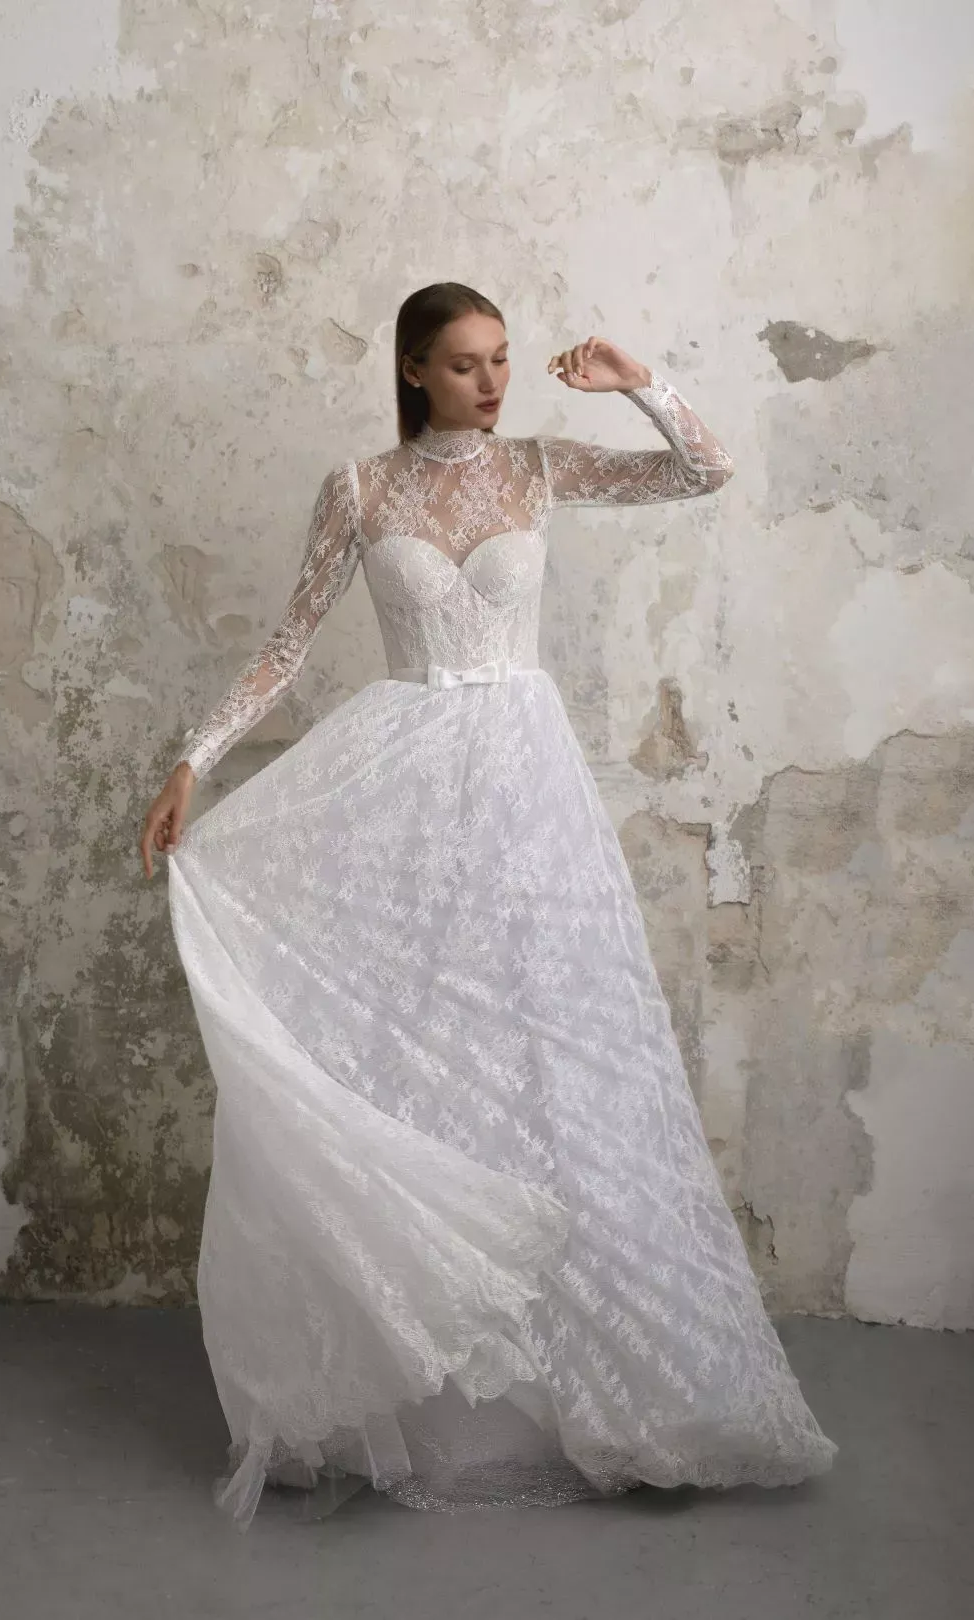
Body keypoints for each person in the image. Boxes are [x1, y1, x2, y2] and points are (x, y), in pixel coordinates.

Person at [140, 282, 838, 1524]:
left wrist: (637, 381)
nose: (493, 382)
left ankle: (636, 1398)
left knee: (567, 1067)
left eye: (503, 359)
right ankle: (417, 1386)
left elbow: (705, 472)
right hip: (407, 796)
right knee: (420, 1059)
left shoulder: (540, 467)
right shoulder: (360, 489)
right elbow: (289, 644)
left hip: (528, 795)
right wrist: (194, 759)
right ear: (414, 369)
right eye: (466, 364)